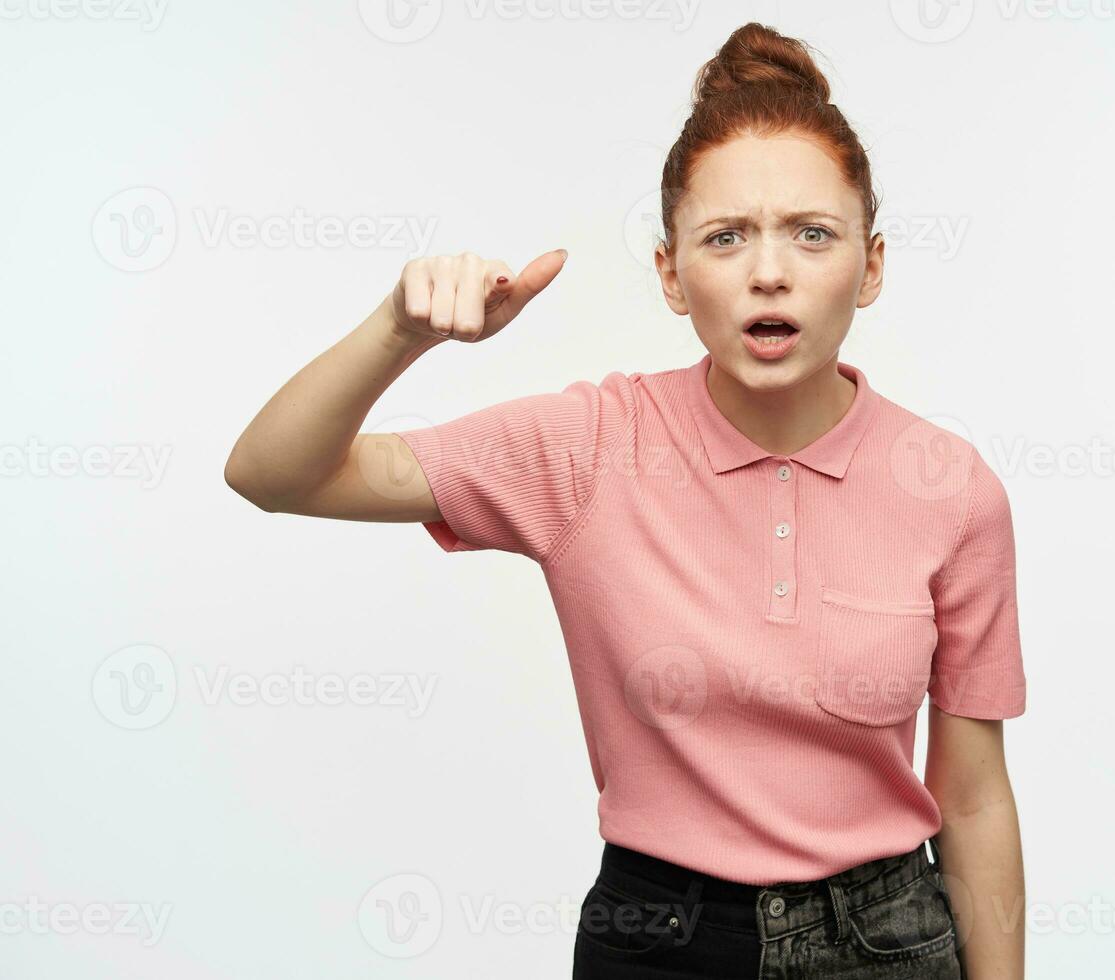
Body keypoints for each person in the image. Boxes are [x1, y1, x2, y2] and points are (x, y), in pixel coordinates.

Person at [224, 21, 1026, 980]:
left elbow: (974, 797)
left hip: (886, 938)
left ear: (874, 263)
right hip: (659, 939)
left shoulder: (951, 488)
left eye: (813, 234)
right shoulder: (587, 448)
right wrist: (400, 331)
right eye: (725, 238)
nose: (769, 271)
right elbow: (271, 474)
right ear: (670, 274)